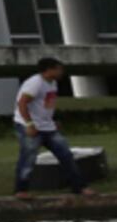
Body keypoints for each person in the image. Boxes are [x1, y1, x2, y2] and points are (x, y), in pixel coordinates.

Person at [10, 58, 79, 194]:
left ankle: (79, 187)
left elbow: (47, 105)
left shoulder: (52, 83)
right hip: (30, 126)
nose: (61, 72)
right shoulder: (35, 83)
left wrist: (51, 121)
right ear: (49, 70)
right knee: (28, 158)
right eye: (58, 69)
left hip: (47, 126)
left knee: (66, 155)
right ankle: (21, 190)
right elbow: (22, 103)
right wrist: (29, 124)